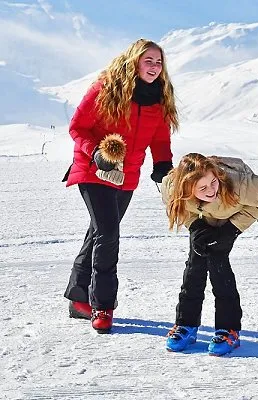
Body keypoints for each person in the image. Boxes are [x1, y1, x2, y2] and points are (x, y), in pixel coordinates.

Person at [63, 39, 179, 333]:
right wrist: (97, 153)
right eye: (148, 61)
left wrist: (162, 166)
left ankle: (78, 297)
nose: (154, 67)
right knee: (108, 232)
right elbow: (77, 127)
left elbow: (160, 140)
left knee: (99, 232)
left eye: (158, 62)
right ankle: (102, 305)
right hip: (94, 170)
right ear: (134, 62)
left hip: (126, 177)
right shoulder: (106, 89)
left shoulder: (160, 98)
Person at [162, 153, 258, 355]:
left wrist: (231, 230)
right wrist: (196, 226)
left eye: (213, 182)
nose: (211, 190)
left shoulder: (239, 184)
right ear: (187, 188)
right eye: (203, 188)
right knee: (194, 266)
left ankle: (229, 329)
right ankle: (186, 324)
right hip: (203, 215)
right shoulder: (173, 186)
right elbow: (173, 202)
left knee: (218, 263)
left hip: (231, 213)